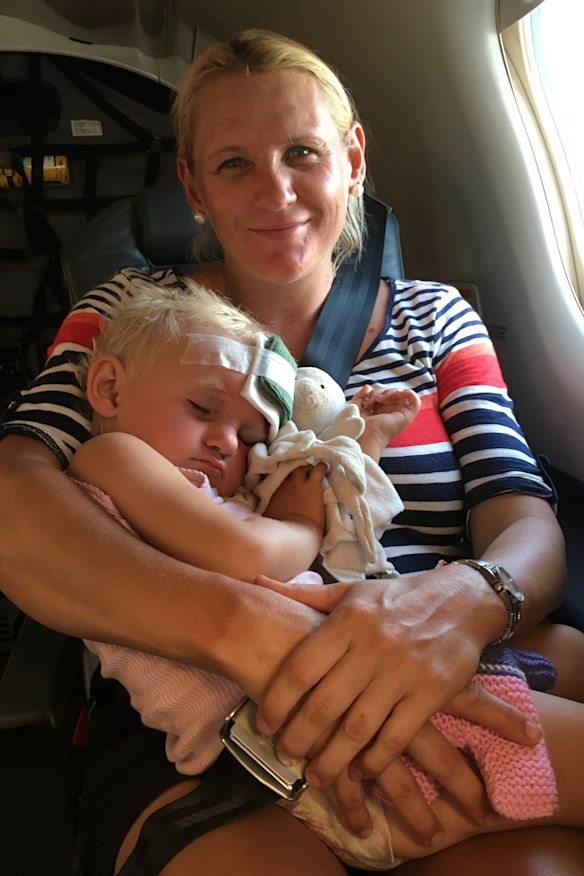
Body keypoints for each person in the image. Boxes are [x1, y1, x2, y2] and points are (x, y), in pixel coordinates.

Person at [0, 27, 583, 876]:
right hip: (206, 704)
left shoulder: (439, 316)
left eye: (302, 152)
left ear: (351, 158)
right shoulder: (127, 314)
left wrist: (468, 599)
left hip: (445, 653)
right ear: (192, 186)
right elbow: (18, 496)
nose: (275, 190)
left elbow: (522, 516)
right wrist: (256, 633)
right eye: (233, 164)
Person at [70, 281, 577, 872]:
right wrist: (298, 521)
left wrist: (367, 444)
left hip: (321, 708)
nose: (225, 440)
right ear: (108, 387)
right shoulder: (112, 461)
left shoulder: (201, 491)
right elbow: (248, 556)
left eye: (251, 436)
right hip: (300, 744)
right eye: (203, 409)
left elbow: (331, 552)